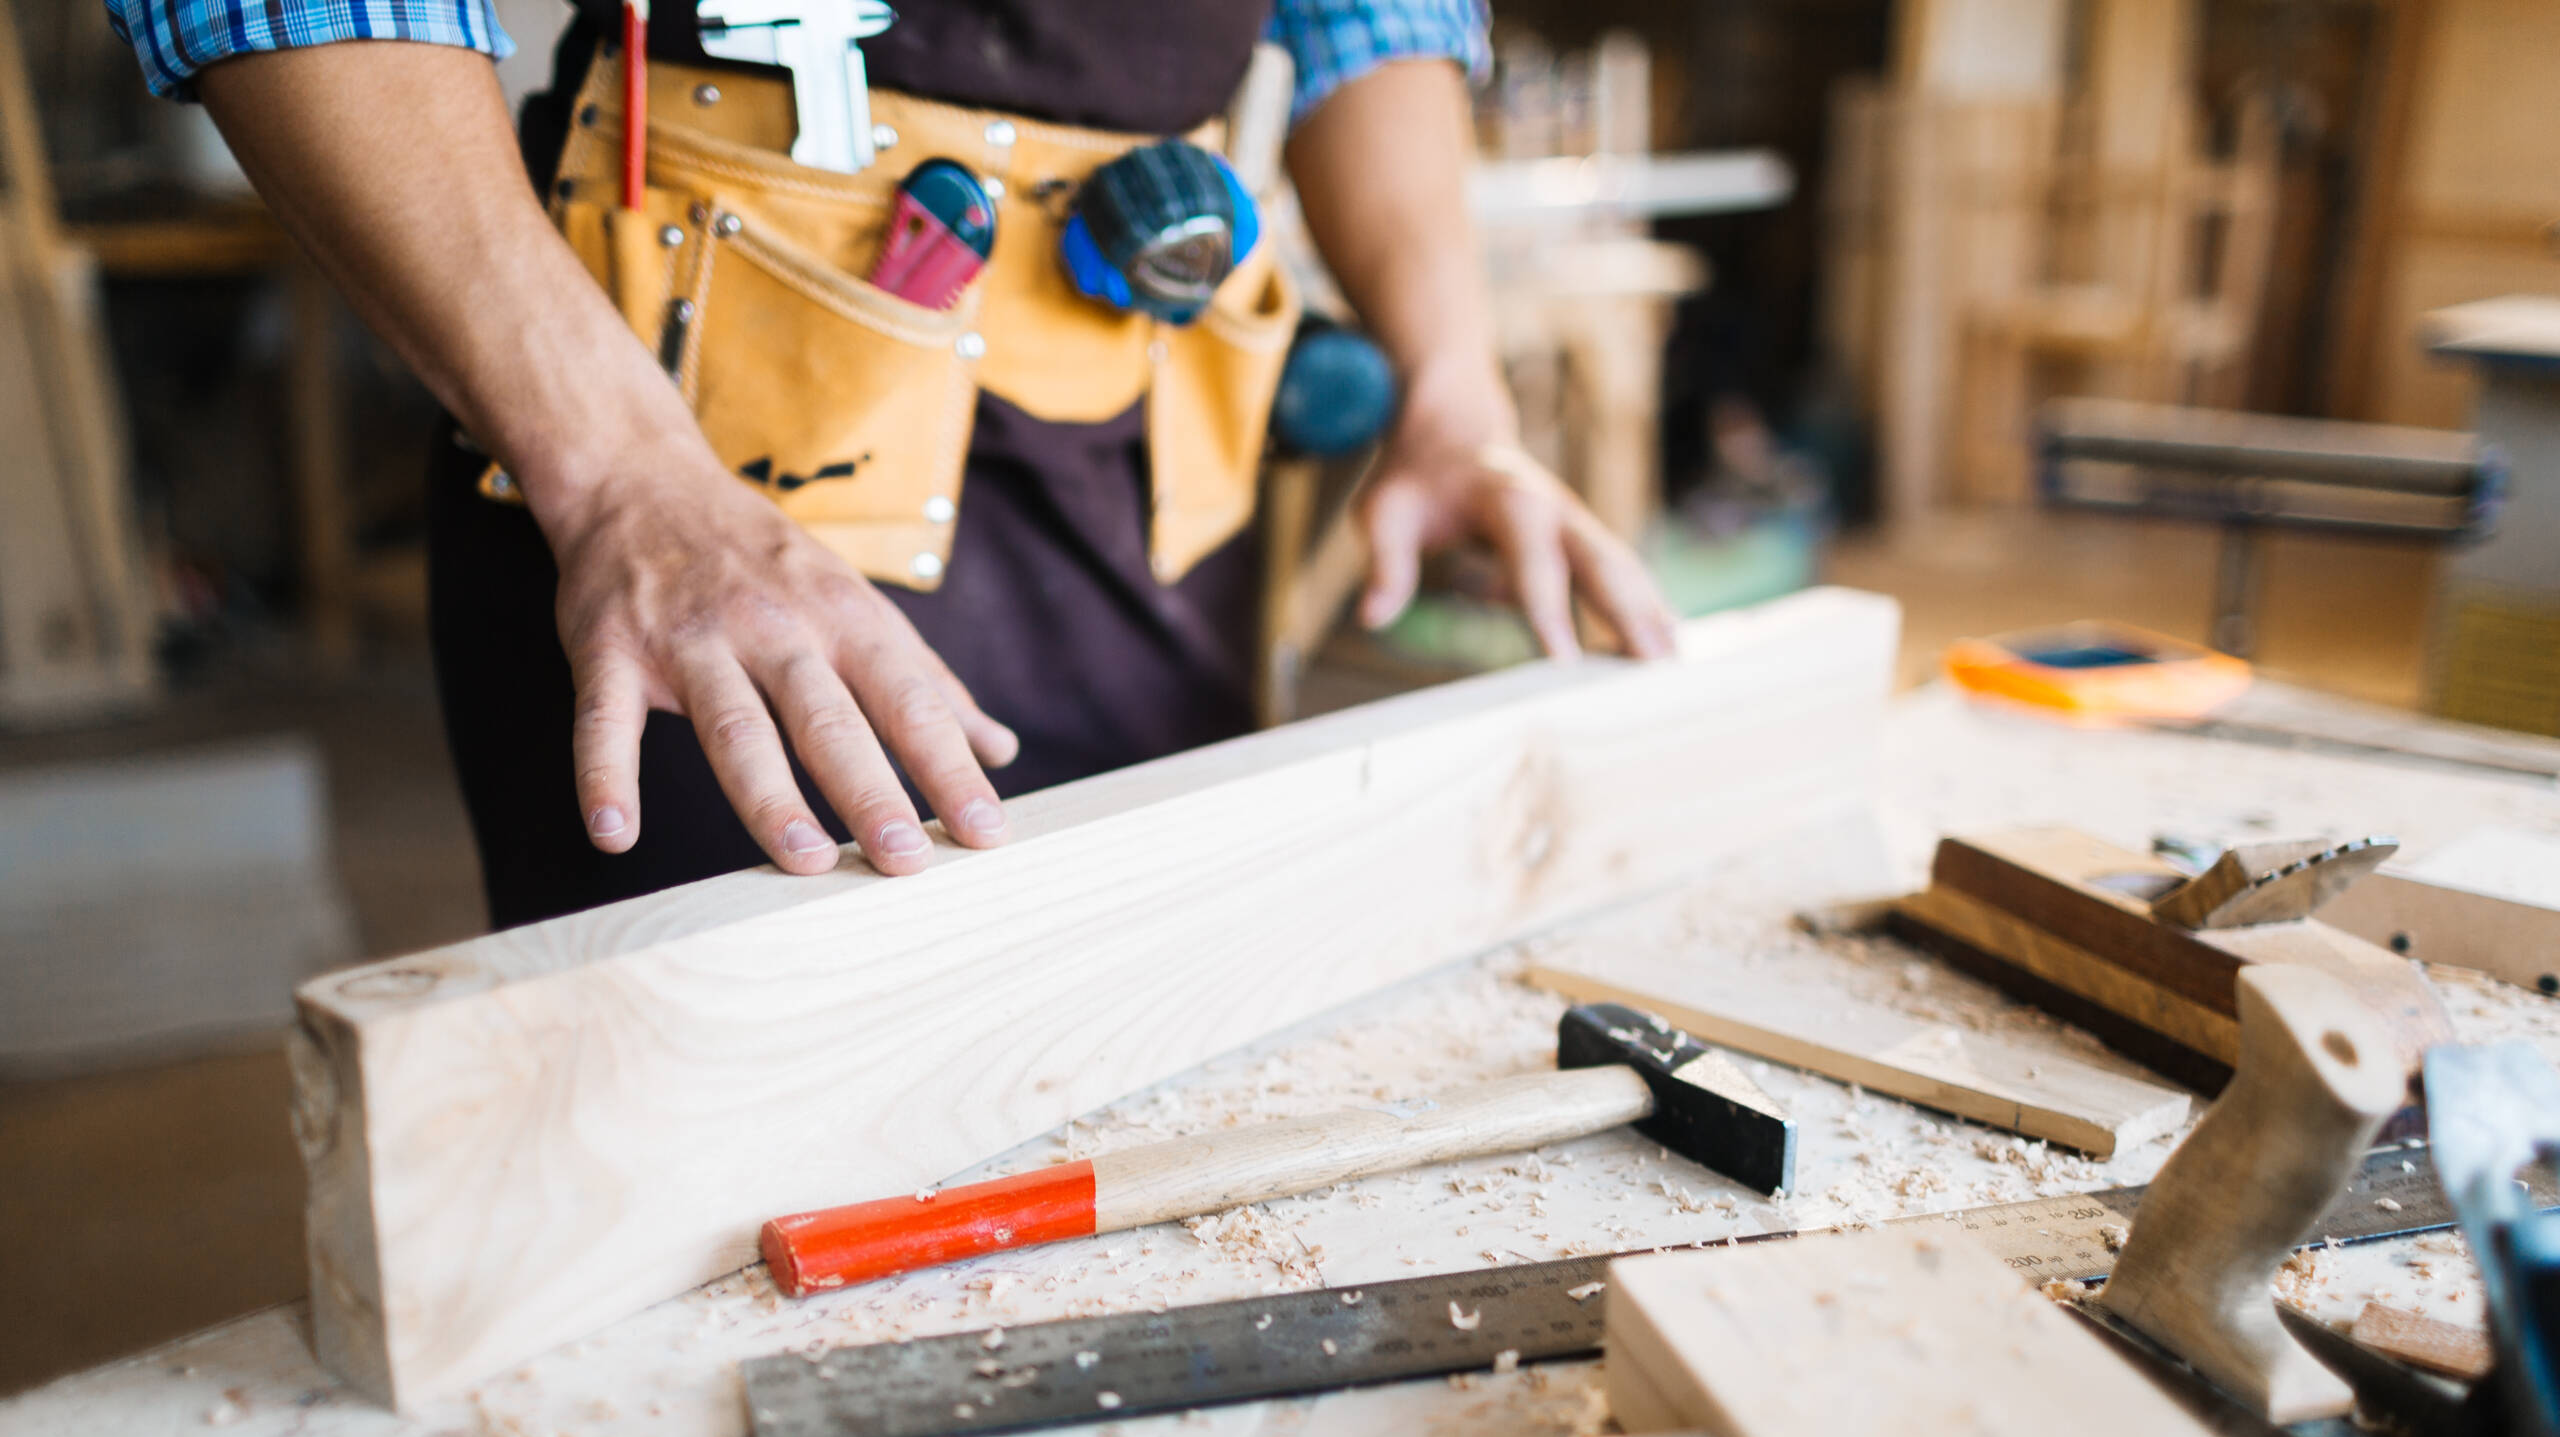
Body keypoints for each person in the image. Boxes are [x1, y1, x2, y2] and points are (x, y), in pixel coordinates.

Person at [108, 0, 1676, 927]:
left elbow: (1372, 15)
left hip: (1132, 451)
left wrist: (1456, 391)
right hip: (673, 461)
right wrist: (617, 475)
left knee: (1132, 1040)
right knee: (733, 1142)